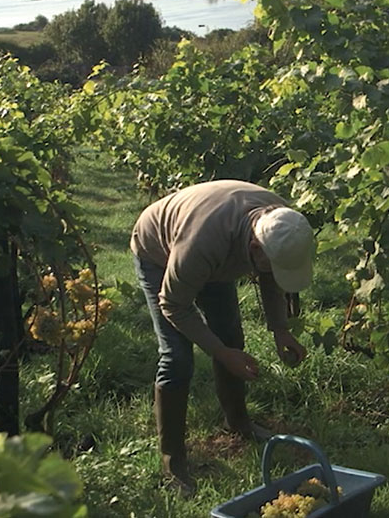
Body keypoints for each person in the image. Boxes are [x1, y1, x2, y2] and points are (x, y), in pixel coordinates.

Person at [130, 179, 315, 496]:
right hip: (159, 253)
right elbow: (174, 304)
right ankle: (172, 462)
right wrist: (221, 352)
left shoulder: (280, 222)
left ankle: (238, 423)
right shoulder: (202, 243)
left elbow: (270, 274)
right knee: (177, 358)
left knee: (231, 334)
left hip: (217, 253)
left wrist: (280, 329)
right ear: (256, 249)